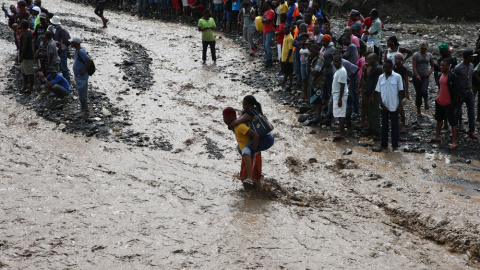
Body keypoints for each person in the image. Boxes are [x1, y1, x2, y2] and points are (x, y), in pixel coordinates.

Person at [225, 96, 275, 185]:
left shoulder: (251, 113)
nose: (243, 106)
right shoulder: (252, 111)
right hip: (261, 138)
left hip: (265, 139)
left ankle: (250, 178)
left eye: (245, 105)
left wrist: (253, 150)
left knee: (246, 151)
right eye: (242, 104)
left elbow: (236, 122)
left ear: (251, 105)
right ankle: (252, 176)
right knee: (240, 148)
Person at [374, 59, 404, 151]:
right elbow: (378, 91)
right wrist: (381, 104)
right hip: (384, 106)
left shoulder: (397, 77)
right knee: (384, 126)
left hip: (394, 105)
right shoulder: (381, 77)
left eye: (386, 67)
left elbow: (400, 91)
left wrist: (399, 105)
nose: (384, 69)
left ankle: (395, 146)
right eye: (383, 67)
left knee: (395, 126)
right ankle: (384, 145)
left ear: (391, 67)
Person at [429, 59, 458, 149]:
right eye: (441, 65)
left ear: (449, 66)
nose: (441, 67)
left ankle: (454, 142)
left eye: (444, 66)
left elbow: (456, 91)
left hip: (448, 103)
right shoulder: (440, 74)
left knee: (453, 122)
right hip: (440, 101)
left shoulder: (452, 76)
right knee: (439, 119)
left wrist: (454, 102)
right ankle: (437, 136)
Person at [453, 49, 477, 139]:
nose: (473, 58)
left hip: (469, 91)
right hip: (461, 92)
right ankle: (455, 128)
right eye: (471, 57)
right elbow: (453, 79)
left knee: (471, 112)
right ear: (467, 57)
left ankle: (472, 131)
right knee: (457, 111)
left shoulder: (471, 66)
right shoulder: (458, 68)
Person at [71, 37, 92, 116]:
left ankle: (85, 110)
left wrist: (85, 70)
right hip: (79, 76)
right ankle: (83, 109)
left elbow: (89, 60)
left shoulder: (81, 51)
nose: (71, 43)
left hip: (82, 76)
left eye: (72, 42)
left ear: (76, 43)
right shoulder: (77, 51)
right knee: (81, 93)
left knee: (82, 93)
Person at [412, 40, 434, 117]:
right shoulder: (416, 55)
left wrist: (430, 72)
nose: (423, 50)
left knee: (424, 90)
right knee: (418, 92)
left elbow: (432, 65)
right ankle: (418, 109)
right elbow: (414, 66)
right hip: (417, 76)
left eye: (424, 48)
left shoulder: (429, 55)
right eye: (422, 48)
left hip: (425, 76)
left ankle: (426, 100)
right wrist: (417, 75)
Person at [364, 53, 383, 138]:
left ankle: (376, 132)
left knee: (374, 113)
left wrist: (373, 95)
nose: (367, 61)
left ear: (375, 59)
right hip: (368, 93)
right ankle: (370, 129)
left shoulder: (378, 69)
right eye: (367, 59)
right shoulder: (371, 68)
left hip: (373, 94)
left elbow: (377, 83)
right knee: (369, 112)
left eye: (369, 59)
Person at [51, 16, 71, 82]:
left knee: (64, 67)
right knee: (60, 66)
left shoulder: (62, 30)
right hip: (59, 50)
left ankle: (67, 80)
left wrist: (65, 48)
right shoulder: (57, 29)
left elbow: (67, 41)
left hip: (62, 50)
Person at [332, 55, 348, 140]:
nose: (335, 63)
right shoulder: (338, 70)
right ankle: (341, 130)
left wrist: (340, 99)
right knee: (339, 113)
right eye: (334, 61)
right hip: (337, 95)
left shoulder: (342, 71)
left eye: (336, 61)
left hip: (340, 96)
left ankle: (342, 133)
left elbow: (342, 85)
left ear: (340, 61)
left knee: (341, 114)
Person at [308, 43, 325, 123]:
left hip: (318, 82)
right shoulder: (315, 57)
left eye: (312, 51)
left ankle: (318, 116)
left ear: (317, 50)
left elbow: (315, 72)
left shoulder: (319, 58)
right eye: (310, 51)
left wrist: (310, 67)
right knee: (315, 98)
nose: (311, 52)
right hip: (314, 82)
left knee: (318, 99)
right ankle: (316, 114)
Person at [393, 53, 409, 133]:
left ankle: (403, 124)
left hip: (400, 89)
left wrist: (407, 93)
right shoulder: (392, 68)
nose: (397, 60)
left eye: (399, 59)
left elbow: (406, 81)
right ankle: (394, 123)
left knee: (400, 107)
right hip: (392, 89)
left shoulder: (403, 69)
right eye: (396, 59)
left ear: (402, 60)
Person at [19, 19, 34, 93]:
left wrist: (21, 56)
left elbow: (24, 46)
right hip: (26, 55)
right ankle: (26, 85)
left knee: (29, 72)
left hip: (26, 55)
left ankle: (30, 87)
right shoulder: (29, 32)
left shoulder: (25, 34)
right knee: (24, 71)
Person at [279, 23, 293, 89]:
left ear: (289, 29)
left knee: (289, 72)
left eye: (286, 28)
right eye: (284, 28)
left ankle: (290, 84)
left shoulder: (290, 38)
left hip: (289, 58)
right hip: (284, 57)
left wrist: (287, 58)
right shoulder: (285, 36)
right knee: (286, 71)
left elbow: (290, 49)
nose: (284, 30)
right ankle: (284, 82)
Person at [262, 1, 275, 68]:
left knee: (267, 46)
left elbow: (267, 21)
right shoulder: (266, 12)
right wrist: (264, 19)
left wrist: (264, 19)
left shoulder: (271, 12)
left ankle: (269, 60)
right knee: (265, 46)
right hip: (265, 31)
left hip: (269, 30)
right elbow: (263, 20)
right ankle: (267, 59)